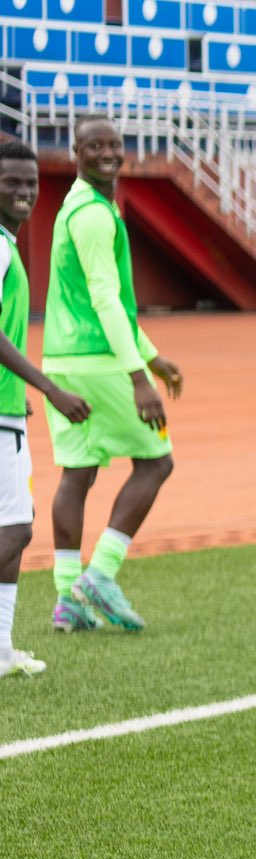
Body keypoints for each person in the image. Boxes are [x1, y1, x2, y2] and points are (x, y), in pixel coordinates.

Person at [43, 117, 185, 635]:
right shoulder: (95, 216)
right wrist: (137, 376)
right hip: (101, 363)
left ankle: (66, 599)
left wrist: (151, 355)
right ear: (74, 151)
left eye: (114, 144)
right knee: (156, 461)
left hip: (63, 360)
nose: (107, 152)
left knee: (77, 474)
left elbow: (98, 299)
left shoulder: (73, 208)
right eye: (94, 145)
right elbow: (105, 298)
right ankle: (100, 575)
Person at [0, 139, 91, 675]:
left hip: (8, 411)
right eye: (11, 182)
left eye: (30, 183)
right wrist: (48, 387)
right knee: (14, 530)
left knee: (15, 525)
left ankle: (2, 649)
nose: (24, 192)